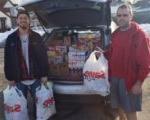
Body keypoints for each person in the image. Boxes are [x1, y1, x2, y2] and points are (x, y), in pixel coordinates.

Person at [4, 9, 49, 118]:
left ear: (29, 21)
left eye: (25, 18)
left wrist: (44, 74)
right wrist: (10, 77)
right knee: (21, 105)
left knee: (38, 104)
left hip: (36, 77)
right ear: (17, 21)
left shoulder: (37, 37)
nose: (23, 20)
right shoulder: (11, 38)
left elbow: (43, 57)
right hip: (19, 78)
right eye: (21, 18)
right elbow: (7, 59)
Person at [109, 4, 150, 120]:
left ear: (131, 16)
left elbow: (146, 63)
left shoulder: (140, 35)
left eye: (125, 15)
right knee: (119, 107)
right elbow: (112, 53)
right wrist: (101, 53)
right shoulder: (115, 34)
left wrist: (139, 83)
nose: (121, 18)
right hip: (115, 78)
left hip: (129, 80)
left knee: (130, 111)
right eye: (119, 15)